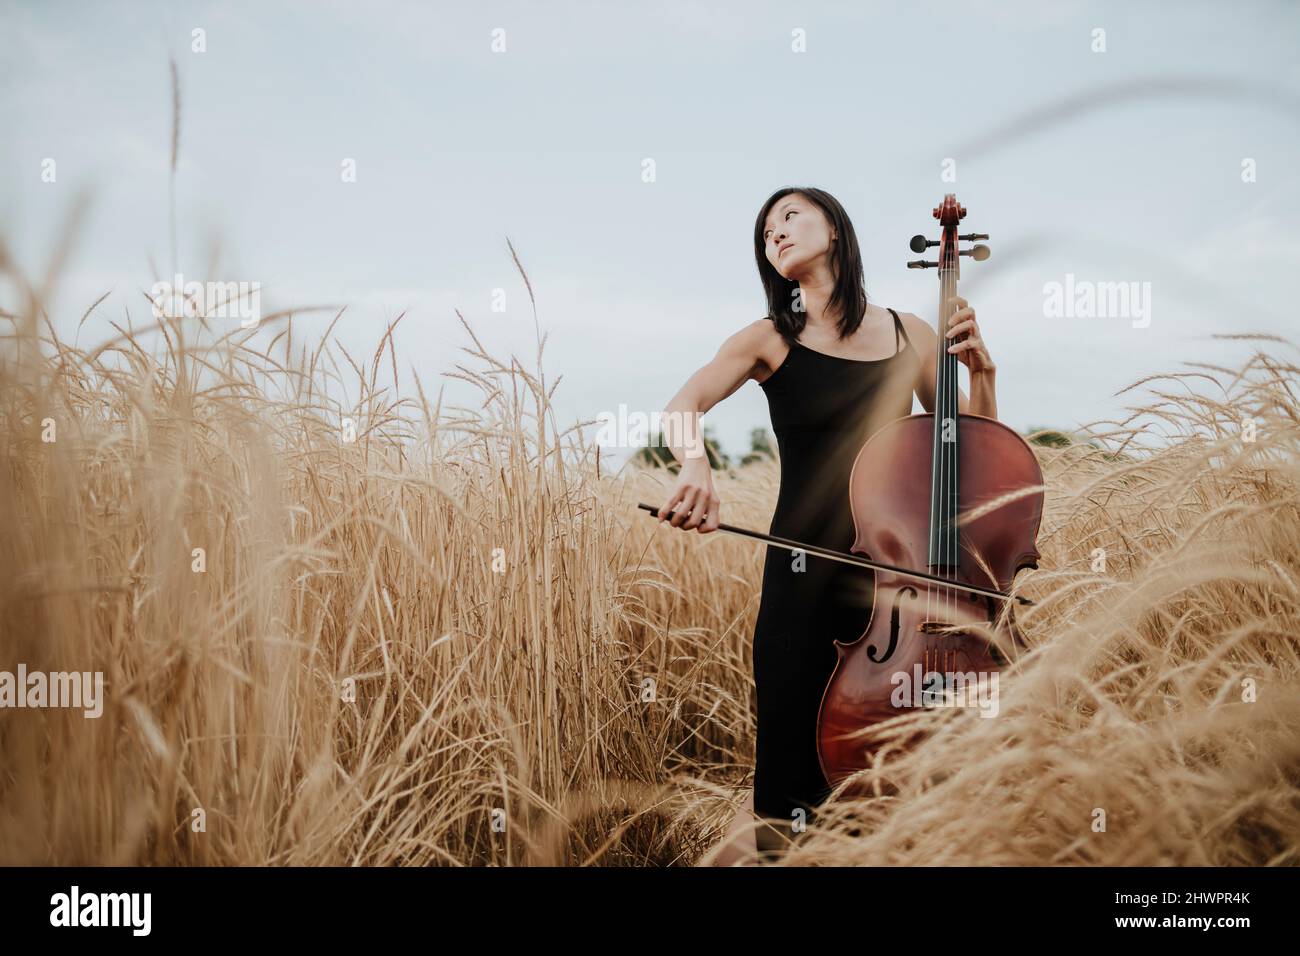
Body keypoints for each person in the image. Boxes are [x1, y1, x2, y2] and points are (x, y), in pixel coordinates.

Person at [654, 186, 1001, 864]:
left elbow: (971, 455)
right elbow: (682, 404)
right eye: (764, 232)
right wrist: (695, 465)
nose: (774, 234)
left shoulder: (912, 336)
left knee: (887, 781)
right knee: (790, 787)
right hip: (797, 587)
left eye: (789, 216)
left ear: (835, 231)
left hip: (892, 589)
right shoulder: (767, 340)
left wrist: (984, 372)